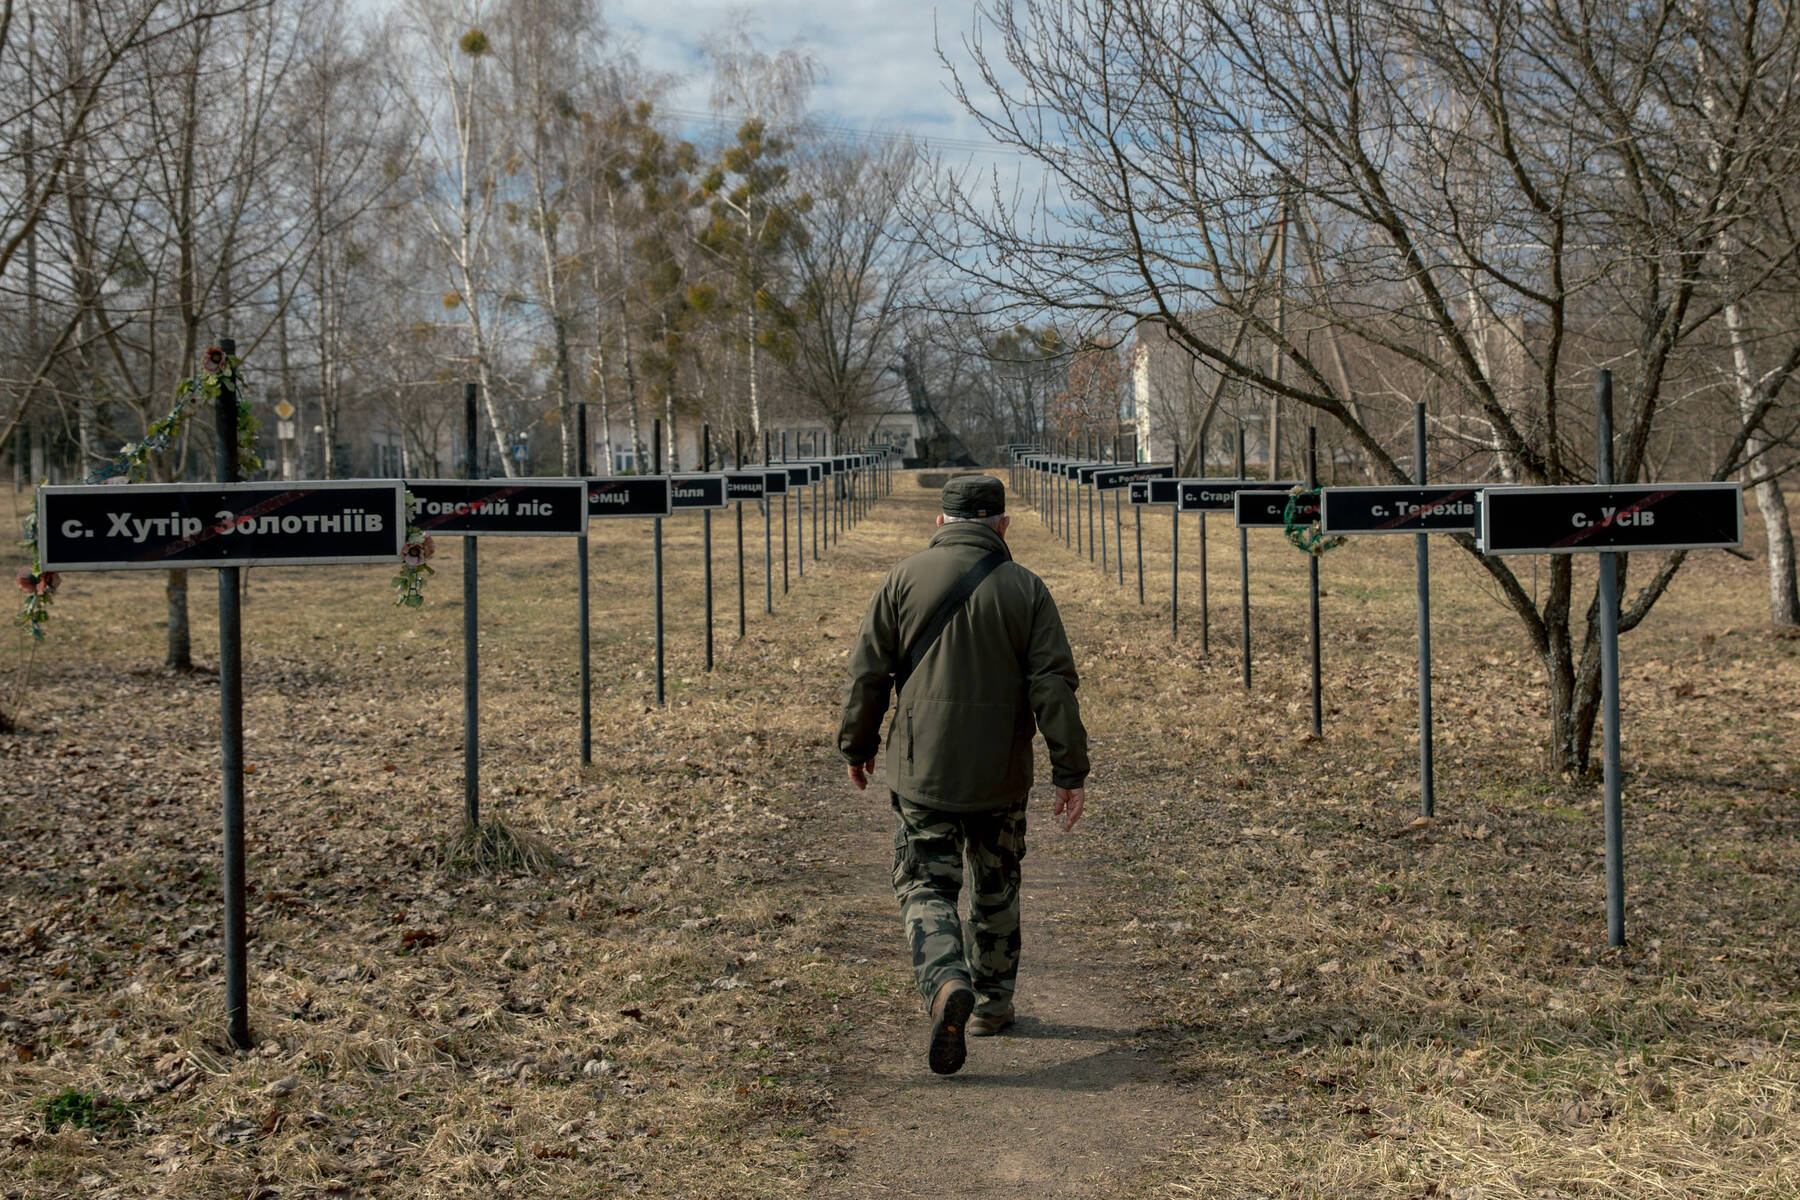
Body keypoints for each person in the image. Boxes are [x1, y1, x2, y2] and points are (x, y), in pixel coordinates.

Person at [838, 474, 1089, 1075]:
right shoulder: (1027, 587)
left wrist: (858, 744)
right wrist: (1069, 770)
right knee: (996, 883)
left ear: (942, 522)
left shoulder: (901, 580)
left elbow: (869, 673)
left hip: (924, 767)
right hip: (1001, 770)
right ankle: (993, 1005)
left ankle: (947, 979)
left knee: (926, 883)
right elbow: (1052, 684)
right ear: (1003, 524)